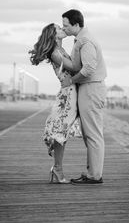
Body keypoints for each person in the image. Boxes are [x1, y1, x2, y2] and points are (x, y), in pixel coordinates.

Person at [29, 23, 81, 184]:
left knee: (62, 134)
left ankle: (58, 169)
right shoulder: (54, 53)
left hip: (71, 93)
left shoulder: (61, 50)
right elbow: (74, 67)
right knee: (61, 133)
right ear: (53, 35)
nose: (63, 29)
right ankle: (58, 169)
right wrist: (79, 46)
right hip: (67, 97)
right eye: (59, 28)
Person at [61, 9, 107, 185]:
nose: (64, 28)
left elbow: (88, 69)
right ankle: (92, 173)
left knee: (93, 134)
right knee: (89, 134)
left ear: (76, 24)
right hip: (89, 89)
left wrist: (71, 80)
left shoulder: (86, 41)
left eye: (66, 25)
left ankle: (95, 175)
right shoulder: (81, 38)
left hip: (91, 89)